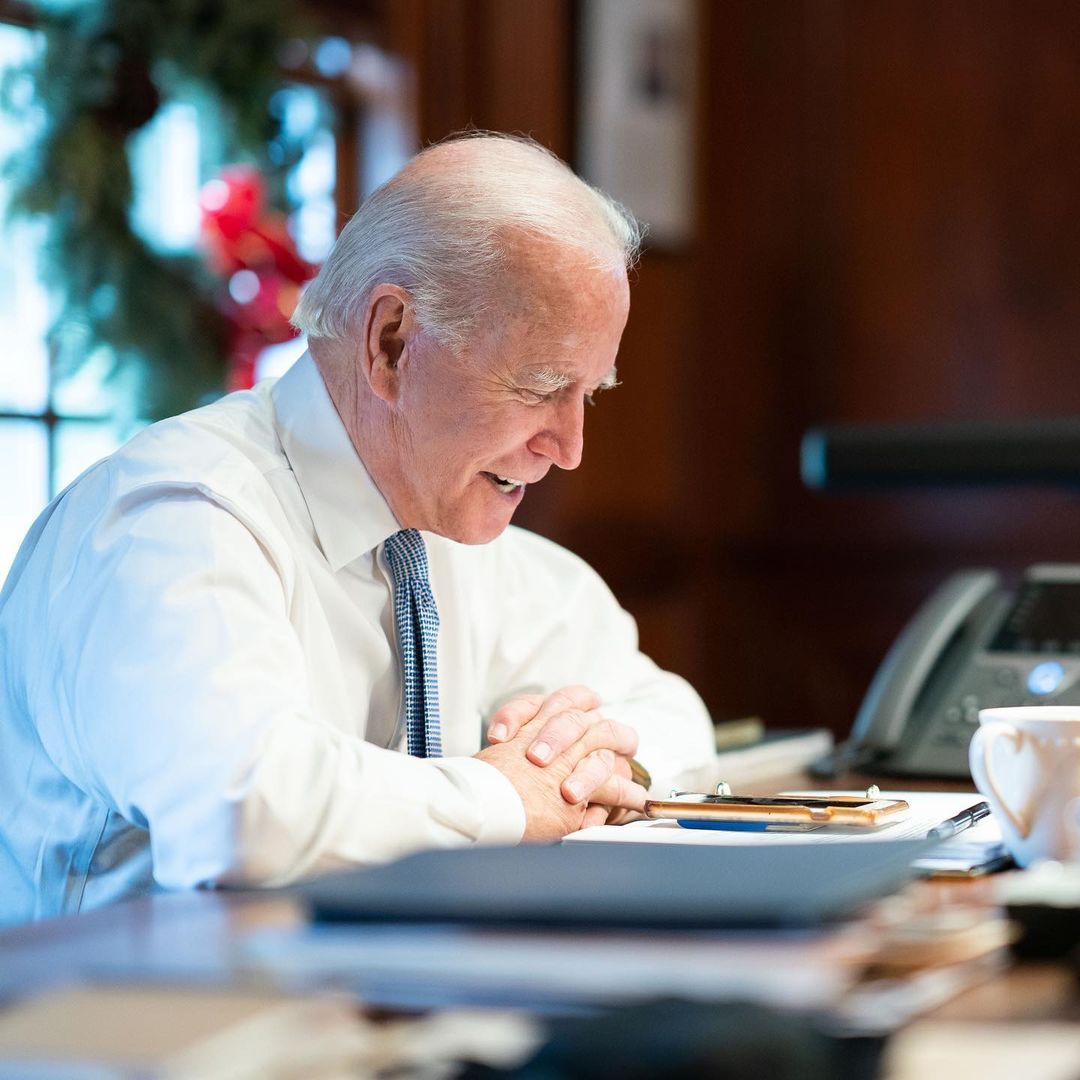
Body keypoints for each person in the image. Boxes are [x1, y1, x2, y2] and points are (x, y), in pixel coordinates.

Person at [0, 133, 714, 925]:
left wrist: (594, 759)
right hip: (129, 1030)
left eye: (588, 393)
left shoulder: (452, 533)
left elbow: (667, 712)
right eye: (542, 386)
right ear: (391, 341)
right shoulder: (172, 520)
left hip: (360, 1023)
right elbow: (243, 817)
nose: (570, 448)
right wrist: (505, 796)